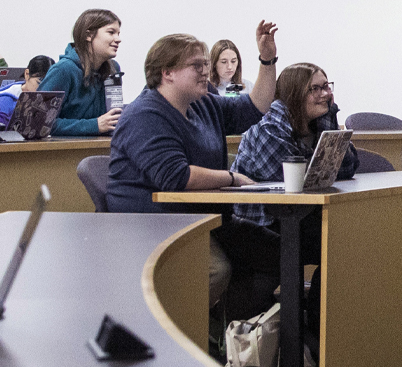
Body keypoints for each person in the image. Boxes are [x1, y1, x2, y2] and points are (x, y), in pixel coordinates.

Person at [105, 25, 277, 318]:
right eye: (196, 66)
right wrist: (232, 178)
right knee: (216, 270)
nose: (205, 72)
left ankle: (225, 333)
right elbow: (176, 177)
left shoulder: (203, 104)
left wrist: (267, 60)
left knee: (279, 255)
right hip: (154, 223)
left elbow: (255, 107)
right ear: (166, 72)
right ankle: (179, 335)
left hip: (203, 217)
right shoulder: (145, 114)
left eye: (206, 65)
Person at [228, 62, 355, 317]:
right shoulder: (269, 128)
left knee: (348, 242)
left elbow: (348, 166)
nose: (325, 94)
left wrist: (331, 123)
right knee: (340, 241)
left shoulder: (317, 125)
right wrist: (322, 161)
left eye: (326, 87)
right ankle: (310, 329)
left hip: (297, 216)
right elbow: (296, 182)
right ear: (295, 94)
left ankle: (323, 329)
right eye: (315, 89)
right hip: (261, 224)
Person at [40, 9, 124, 136]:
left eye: (118, 33)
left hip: (103, 148)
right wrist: (93, 125)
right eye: (111, 32)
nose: (118, 39)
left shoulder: (114, 69)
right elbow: (40, 122)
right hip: (63, 152)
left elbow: (112, 118)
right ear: (88, 35)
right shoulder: (63, 70)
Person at [0, 54, 55, 126]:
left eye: (50, 84)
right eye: (39, 83)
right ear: (27, 74)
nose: (45, 89)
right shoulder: (4, 100)